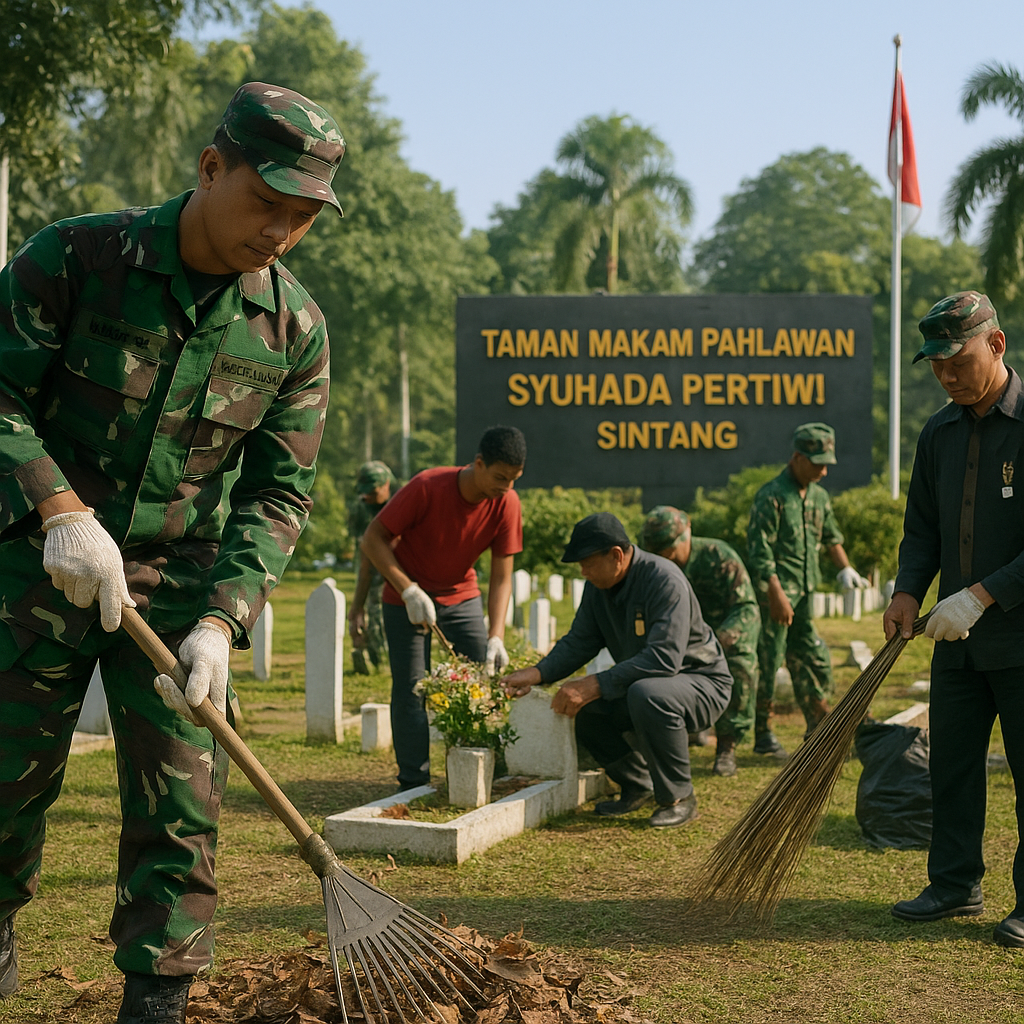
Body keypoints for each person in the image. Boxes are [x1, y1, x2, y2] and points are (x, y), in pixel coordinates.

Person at [0, 82, 345, 1023]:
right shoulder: (77, 257)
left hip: (179, 587)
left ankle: (157, 1000)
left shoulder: (296, 332)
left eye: (303, 217)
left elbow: (278, 493)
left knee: (182, 813)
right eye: (266, 201)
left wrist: (226, 623)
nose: (280, 231)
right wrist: (59, 509)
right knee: (5, 779)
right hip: (37, 565)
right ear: (210, 168)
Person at [884, 291, 1024, 948]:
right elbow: (921, 532)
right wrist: (909, 592)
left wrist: (981, 594)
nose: (946, 374)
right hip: (957, 643)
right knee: (955, 767)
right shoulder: (937, 432)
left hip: (1018, 635)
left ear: (995, 346)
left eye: (957, 358)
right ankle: (953, 883)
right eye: (936, 363)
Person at [503, 513, 733, 828]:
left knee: (646, 693)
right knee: (584, 708)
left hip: (702, 682)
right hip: (651, 684)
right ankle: (639, 785)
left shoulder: (664, 580)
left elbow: (664, 659)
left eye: (587, 563)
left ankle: (680, 797)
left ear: (616, 555)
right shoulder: (599, 586)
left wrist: (595, 683)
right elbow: (580, 642)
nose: (583, 572)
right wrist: (537, 672)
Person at [361, 426, 525, 790]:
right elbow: (373, 539)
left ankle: (483, 769)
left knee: (479, 681)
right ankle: (414, 781)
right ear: (478, 464)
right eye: (499, 477)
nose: (506, 488)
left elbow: (501, 577)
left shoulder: (507, 503)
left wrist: (496, 635)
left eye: (514, 480)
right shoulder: (427, 486)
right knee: (412, 687)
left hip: (462, 596)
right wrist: (408, 591)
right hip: (407, 596)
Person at [746, 422, 868, 758]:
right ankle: (763, 733)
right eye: (817, 463)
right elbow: (759, 551)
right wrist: (775, 594)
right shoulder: (771, 496)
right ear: (797, 457)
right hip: (776, 595)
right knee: (769, 662)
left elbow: (831, 538)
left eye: (827, 462)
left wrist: (845, 569)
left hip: (804, 594)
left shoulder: (818, 497)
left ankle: (819, 724)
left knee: (813, 658)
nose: (824, 470)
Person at [639, 506, 759, 778]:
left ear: (686, 535)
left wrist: (717, 642)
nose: (664, 555)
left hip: (725, 633)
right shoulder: (655, 566)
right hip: (680, 635)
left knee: (739, 666)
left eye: (668, 547)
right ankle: (687, 729)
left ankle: (727, 746)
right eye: (657, 549)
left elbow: (745, 608)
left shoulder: (718, 556)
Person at [347, 460, 398, 673]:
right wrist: (357, 605)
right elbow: (364, 554)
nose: (367, 496)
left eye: (373, 491)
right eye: (363, 492)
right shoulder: (361, 508)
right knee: (370, 607)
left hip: (399, 565)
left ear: (387, 484)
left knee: (383, 610)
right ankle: (373, 656)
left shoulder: (400, 503)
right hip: (370, 563)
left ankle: (384, 658)